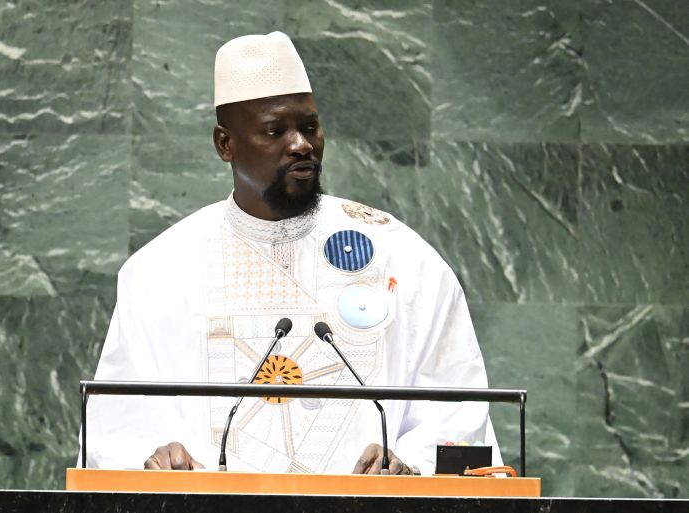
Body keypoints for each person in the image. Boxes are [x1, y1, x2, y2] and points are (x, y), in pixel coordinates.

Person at [83, 31, 500, 475]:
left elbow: (458, 414)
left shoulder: (401, 258)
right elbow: (116, 428)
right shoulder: (159, 272)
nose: (301, 144)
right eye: (275, 130)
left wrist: (408, 466)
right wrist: (158, 456)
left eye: (309, 126)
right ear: (225, 144)